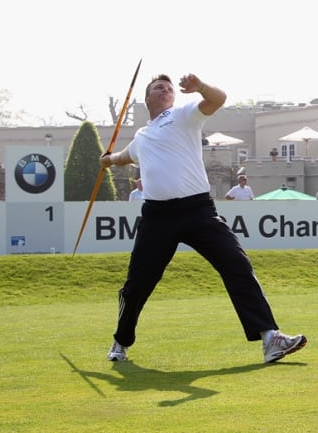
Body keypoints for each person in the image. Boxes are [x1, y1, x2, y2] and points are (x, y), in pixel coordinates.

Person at [98, 73, 306, 364]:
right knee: (137, 284)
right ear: (147, 99)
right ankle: (121, 340)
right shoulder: (142, 137)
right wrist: (106, 160)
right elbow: (124, 156)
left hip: (198, 211)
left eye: (169, 88)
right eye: (159, 87)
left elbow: (218, 100)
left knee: (237, 265)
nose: (166, 89)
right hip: (157, 217)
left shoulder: (184, 115)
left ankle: (271, 338)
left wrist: (201, 88)